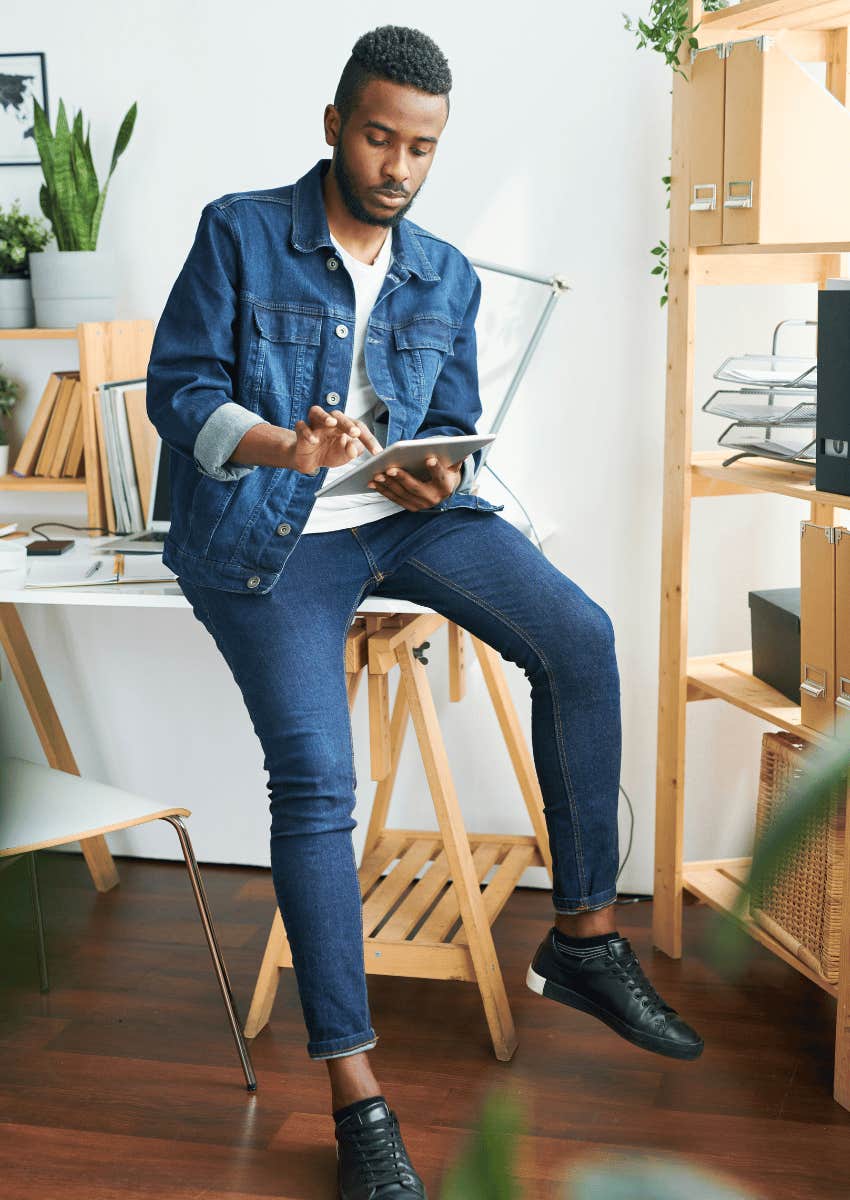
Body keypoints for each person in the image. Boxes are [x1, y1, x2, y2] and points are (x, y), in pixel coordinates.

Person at [146, 24, 703, 1199]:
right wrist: (279, 443)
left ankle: (585, 938)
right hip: (265, 535)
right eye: (378, 136)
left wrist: (434, 478)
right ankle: (359, 1103)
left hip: (394, 521)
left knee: (583, 639)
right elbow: (177, 392)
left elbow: (449, 427)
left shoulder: (442, 271)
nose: (397, 165)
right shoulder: (241, 230)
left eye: (421, 148)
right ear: (335, 124)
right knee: (314, 779)